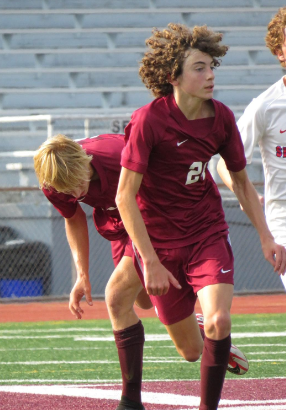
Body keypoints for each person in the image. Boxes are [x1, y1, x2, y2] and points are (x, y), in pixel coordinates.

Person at [115, 23, 286, 410]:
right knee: (191, 352)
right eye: (198, 67)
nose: (210, 75)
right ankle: (202, 333)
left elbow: (242, 183)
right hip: (160, 244)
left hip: (207, 234)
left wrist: (265, 236)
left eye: (212, 66)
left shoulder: (222, 118)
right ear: (173, 76)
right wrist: (151, 262)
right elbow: (125, 197)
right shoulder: (149, 121)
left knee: (220, 322)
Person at [34, 133, 247, 410]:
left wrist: (151, 256)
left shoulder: (118, 155)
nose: (74, 194)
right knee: (146, 303)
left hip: (158, 215)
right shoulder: (53, 179)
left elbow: (168, 194)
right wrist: (81, 273)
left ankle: (130, 402)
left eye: (76, 184)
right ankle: (196, 326)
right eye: (66, 189)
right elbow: (73, 216)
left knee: (116, 296)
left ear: (84, 162)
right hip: (119, 219)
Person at [217, 7, 286, 290]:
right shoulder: (265, 106)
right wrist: (244, 192)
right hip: (282, 217)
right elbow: (224, 163)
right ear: (280, 52)